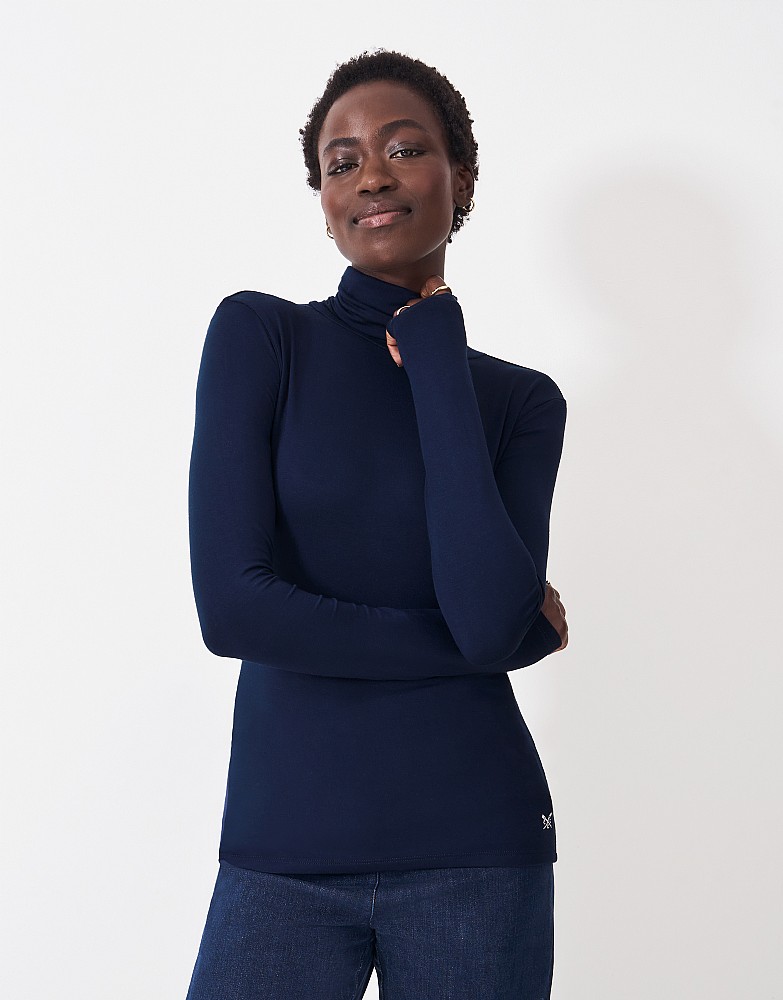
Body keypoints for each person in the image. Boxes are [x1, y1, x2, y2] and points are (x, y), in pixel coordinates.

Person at [185, 48, 569, 1000]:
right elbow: (234, 611)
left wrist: (436, 360)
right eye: (342, 161)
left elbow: (486, 614)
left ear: (459, 177)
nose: (371, 177)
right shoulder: (262, 336)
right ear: (322, 196)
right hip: (284, 851)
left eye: (403, 149)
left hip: (478, 851)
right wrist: (498, 644)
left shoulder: (519, 401)